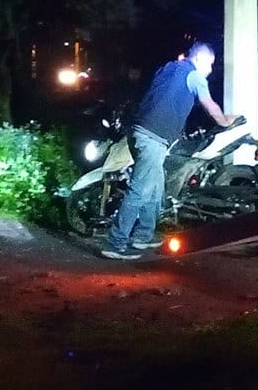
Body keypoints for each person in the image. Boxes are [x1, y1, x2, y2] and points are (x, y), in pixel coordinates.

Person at [102, 42, 238, 259]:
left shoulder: (168, 68)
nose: (211, 70)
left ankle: (143, 236)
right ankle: (115, 243)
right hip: (153, 138)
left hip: (139, 132)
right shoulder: (194, 76)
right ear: (200, 59)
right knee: (139, 190)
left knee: (155, 187)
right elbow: (209, 104)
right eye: (210, 64)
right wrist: (224, 121)